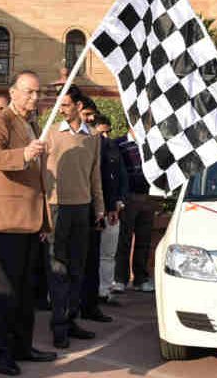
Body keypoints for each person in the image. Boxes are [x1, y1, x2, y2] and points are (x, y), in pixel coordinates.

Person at [0, 70, 56, 376]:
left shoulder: (33, 123)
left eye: (38, 93)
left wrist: (43, 221)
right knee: (3, 293)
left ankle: (22, 346)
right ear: (12, 92)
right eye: (28, 92)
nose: (34, 98)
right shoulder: (0, 120)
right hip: (6, 222)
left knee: (26, 291)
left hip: (31, 220)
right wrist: (24, 154)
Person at [44, 85, 104, 349]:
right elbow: (40, 175)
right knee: (58, 270)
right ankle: (58, 327)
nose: (61, 109)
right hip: (56, 208)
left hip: (83, 208)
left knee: (78, 270)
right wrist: (43, 212)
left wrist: (99, 207)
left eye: (66, 104)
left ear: (79, 106)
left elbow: (95, 175)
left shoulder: (92, 137)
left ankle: (70, 320)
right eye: (60, 105)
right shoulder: (50, 134)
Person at [84, 114, 126, 308]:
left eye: (109, 131)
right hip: (89, 208)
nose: (106, 136)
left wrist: (117, 203)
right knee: (87, 254)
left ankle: (105, 291)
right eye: (102, 132)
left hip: (111, 210)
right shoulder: (86, 148)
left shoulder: (112, 148)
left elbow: (120, 177)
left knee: (108, 254)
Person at [113, 128, 157, 293]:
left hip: (148, 196)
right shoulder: (119, 144)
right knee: (123, 239)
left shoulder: (151, 144)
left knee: (144, 239)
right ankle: (120, 279)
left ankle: (141, 279)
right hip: (128, 197)